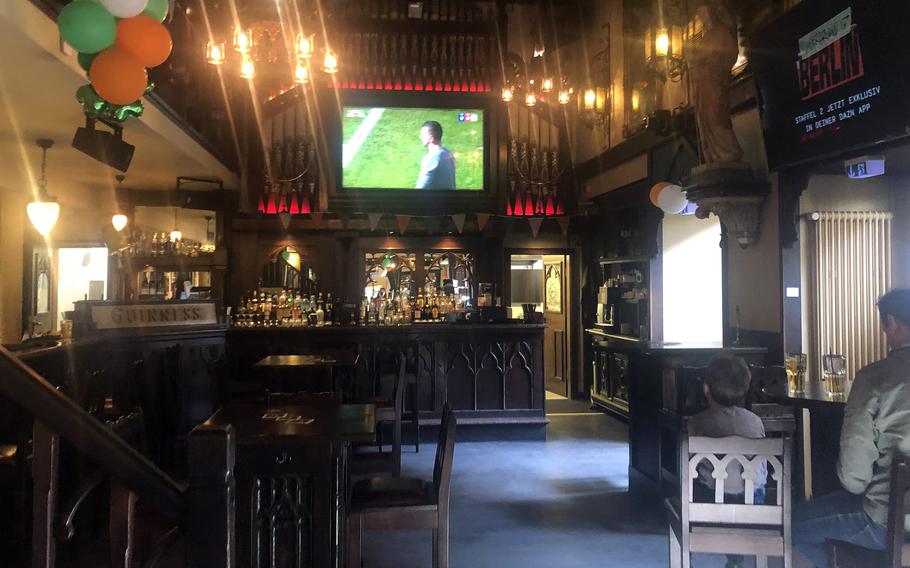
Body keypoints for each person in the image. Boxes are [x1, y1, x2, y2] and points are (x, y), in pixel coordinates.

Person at [793, 289, 910, 567]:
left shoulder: (874, 379)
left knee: (790, 524)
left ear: (890, 323)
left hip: (886, 521)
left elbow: (854, 479)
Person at [687, 353, 767, 568]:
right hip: (755, 505)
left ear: (706, 389)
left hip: (710, 503)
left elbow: (690, 467)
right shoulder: (756, 421)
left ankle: (691, 559)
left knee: (697, 480)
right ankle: (736, 560)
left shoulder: (697, 423)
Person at [415, 120, 456, 190]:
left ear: (431, 138)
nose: (420, 137)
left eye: (422, 135)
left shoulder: (431, 159)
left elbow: (420, 190)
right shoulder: (448, 153)